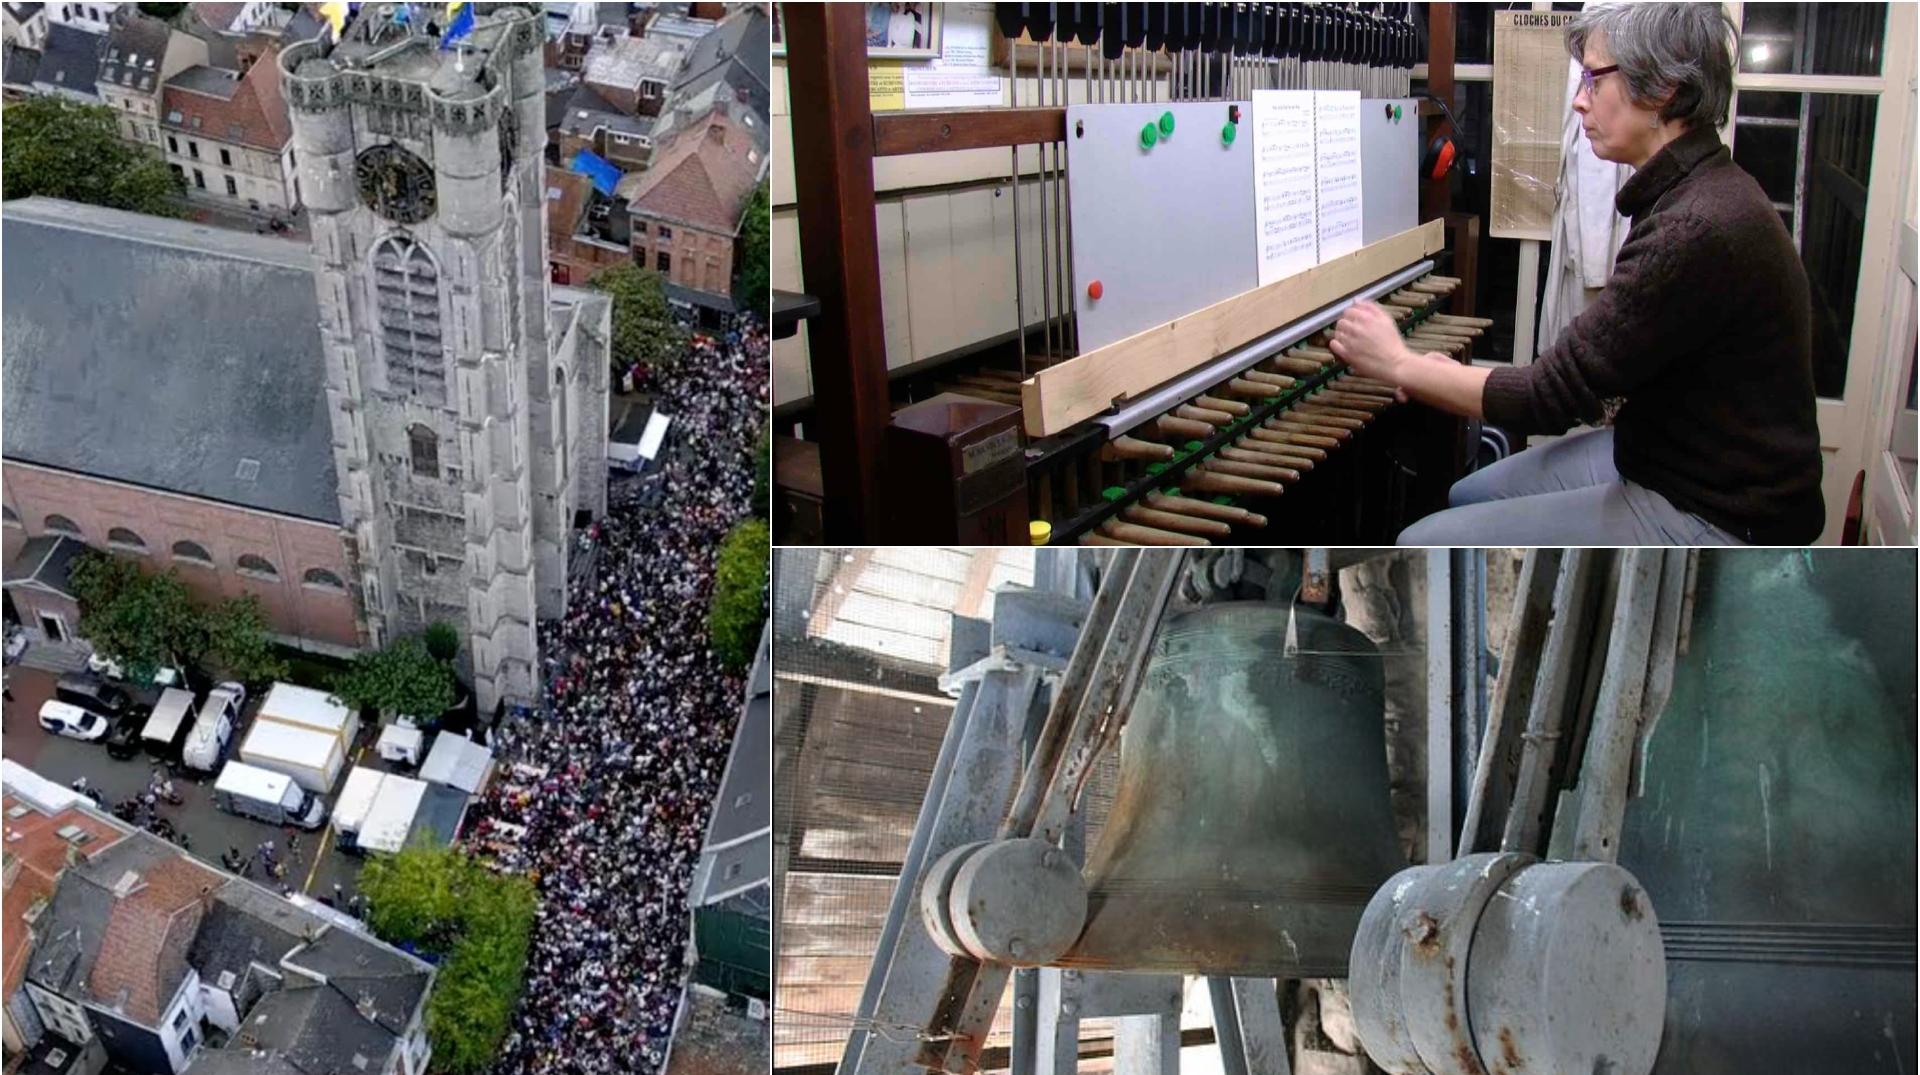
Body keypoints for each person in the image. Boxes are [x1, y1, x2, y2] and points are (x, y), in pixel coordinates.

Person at [1330, 2, 1823, 546]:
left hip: (1719, 508)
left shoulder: (1692, 227)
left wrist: (1399, 363)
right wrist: (1419, 371)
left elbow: (1548, 398)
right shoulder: (1694, 188)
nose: (1579, 100)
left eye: (1593, 78)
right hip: (1666, 455)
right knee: (1469, 493)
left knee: (1417, 543)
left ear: (1662, 90)